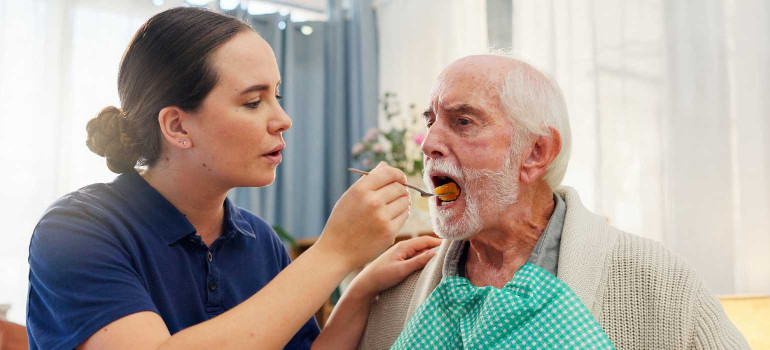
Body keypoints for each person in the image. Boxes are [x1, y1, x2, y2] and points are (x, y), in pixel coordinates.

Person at [26, 7, 441, 350]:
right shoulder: (76, 230)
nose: (283, 119)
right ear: (177, 127)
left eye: (277, 96)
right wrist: (334, 252)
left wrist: (361, 289)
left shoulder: (260, 242)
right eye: (253, 101)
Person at [357, 54, 750, 349]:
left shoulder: (658, 281)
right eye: (431, 121)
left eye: (463, 121)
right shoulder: (397, 290)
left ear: (536, 153)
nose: (430, 143)